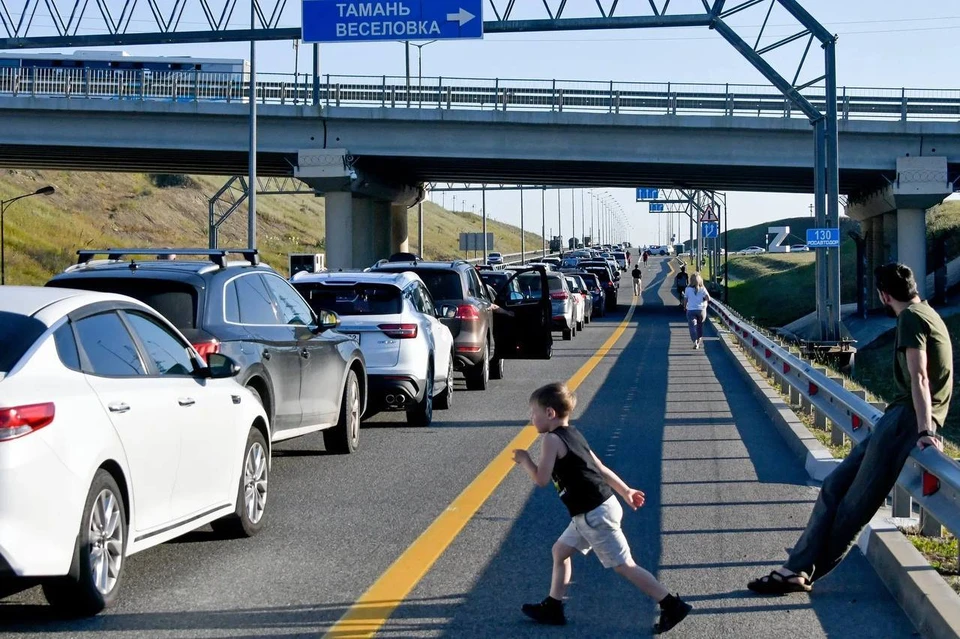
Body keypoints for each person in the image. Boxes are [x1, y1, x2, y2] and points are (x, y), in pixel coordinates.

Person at [748, 263, 952, 595]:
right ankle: (795, 567)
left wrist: (926, 429)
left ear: (883, 295)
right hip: (896, 418)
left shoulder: (912, 319)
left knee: (855, 506)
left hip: (906, 420)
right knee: (833, 486)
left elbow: (920, 376)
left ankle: (799, 572)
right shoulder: (927, 313)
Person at [512, 383, 692, 634]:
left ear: (550, 413)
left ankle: (671, 604)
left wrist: (525, 460)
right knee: (560, 551)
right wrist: (626, 491)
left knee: (625, 566)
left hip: (593, 514)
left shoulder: (551, 440)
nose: (532, 417)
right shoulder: (574, 434)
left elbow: (541, 479)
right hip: (598, 507)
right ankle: (553, 606)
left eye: (534, 412)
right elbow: (600, 467)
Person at [683, 272, 710, 349]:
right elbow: (708, 298)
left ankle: (695, 342)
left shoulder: (687, 289)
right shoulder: (702, 289)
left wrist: (685, 307)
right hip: (701, 310)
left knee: (692, 326)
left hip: (691, 310)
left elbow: (685, 299)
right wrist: (704, 301)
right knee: (700, 326)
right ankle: (699, 340)